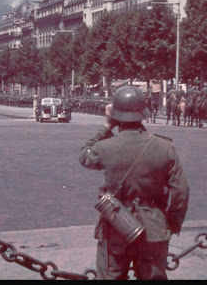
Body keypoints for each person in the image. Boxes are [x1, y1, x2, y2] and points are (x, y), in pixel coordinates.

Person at [79, 85, 189, 280]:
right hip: (154, 226)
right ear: (143, 113)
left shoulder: (105, 146)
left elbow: (84, 156)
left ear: (115, 114)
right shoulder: (164, 147)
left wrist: (106, 125)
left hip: (116, 223)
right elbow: (181, 190)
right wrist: (171, 222)